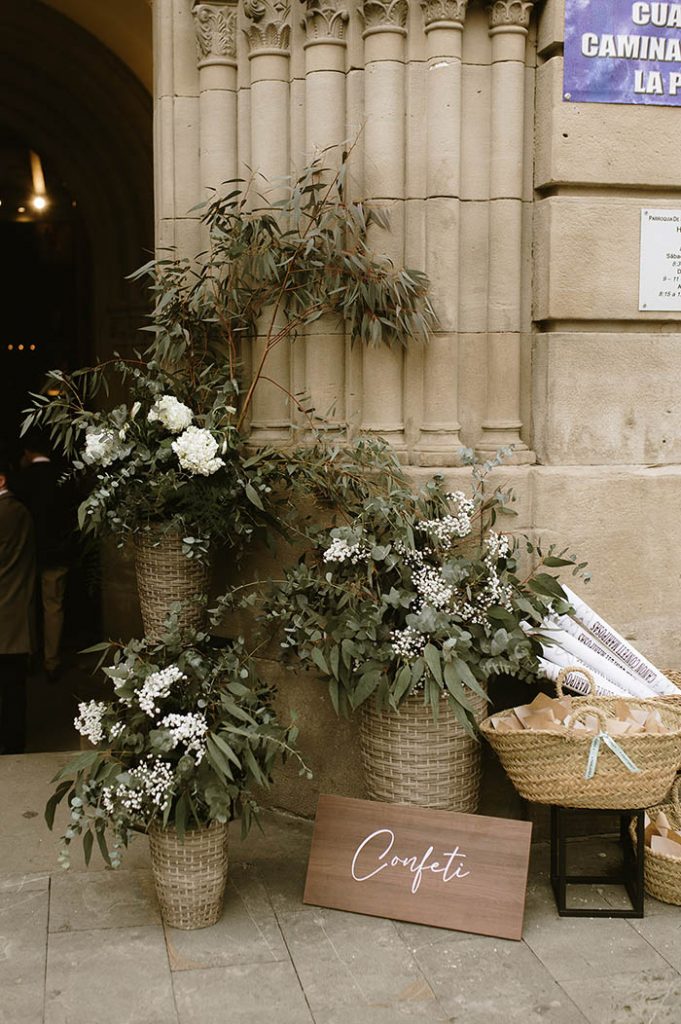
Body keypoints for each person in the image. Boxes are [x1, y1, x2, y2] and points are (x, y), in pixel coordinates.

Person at [16, 433, 73, 681]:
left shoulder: (20, 481)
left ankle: (27, 655)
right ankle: (52, 661)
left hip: (26, 554)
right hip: (56, 551)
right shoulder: (64, 477)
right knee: (54, 607)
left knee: (25, 605)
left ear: (27, 452)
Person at [0, 451, 35, 754]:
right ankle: (13, 744)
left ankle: (10, 745)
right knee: (13, 686)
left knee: (9, 688)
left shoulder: (6, 512)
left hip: (5, 612)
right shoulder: (18, 511)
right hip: (14, 611)